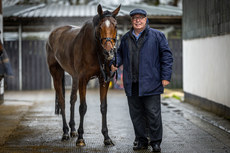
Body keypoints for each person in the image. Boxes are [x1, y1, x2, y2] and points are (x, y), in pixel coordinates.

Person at [111, 8, 173, 152]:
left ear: (146, 19)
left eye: (140, 18)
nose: (137, 20)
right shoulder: (126, 38)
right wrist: (114, 63)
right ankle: (141, 141)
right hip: (132, 84)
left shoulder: (157, 36)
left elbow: (167, 57)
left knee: (153, 114)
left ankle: (156, 142)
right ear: (131, 21)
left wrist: (165, 76)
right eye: (134, 18)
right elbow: (119, 54)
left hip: (151, 82)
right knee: (136, 115)